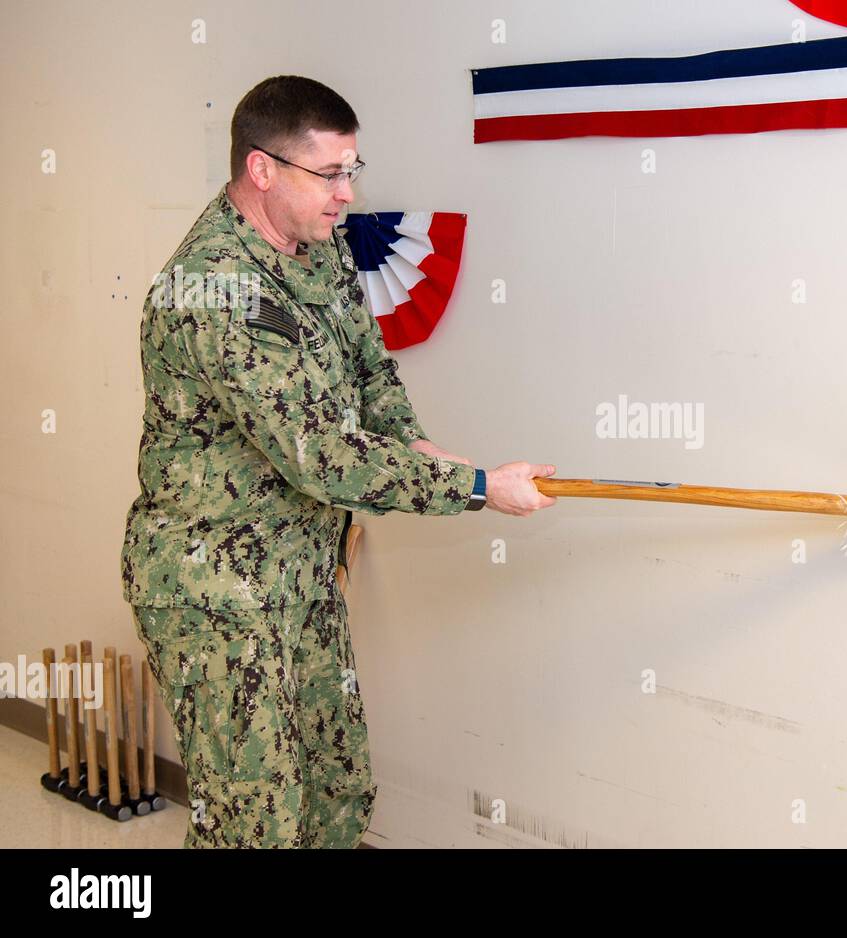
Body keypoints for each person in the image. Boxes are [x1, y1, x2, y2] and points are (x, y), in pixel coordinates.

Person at [120, 75, 556, 847]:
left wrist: (412, 441)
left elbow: (368, 373)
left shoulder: (314, 252)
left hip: (303, 571)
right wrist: (478, 489)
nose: (347, 193)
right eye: (330, 174)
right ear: (262, 169)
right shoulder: (215, 288)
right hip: (216, 589)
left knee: (337, 790)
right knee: (256, 826)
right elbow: (318, 455)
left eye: (352, 170)